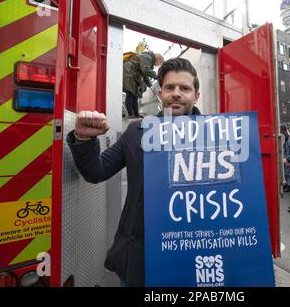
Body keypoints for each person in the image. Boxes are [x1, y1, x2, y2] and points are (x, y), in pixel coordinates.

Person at [67, 58, 201, 286]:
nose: (176, 93)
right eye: (170, 87)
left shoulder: (218, 136)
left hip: (193, 257)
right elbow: (96, 172)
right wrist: (84, 138)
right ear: (160, 93)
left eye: (185, 88)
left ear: (196, 95)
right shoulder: (136, 132)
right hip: (140, 261)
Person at [123, 51, 164, 118]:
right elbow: (146, 71)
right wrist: (158, 77)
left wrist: (150, 84)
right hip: (128, 72)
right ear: (158, 59)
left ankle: (136, 114)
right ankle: (130, 114)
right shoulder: (147, 57)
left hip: (132, 73)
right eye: (159, 63)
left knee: (135, 95)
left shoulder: (148, 60)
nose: (157, 65)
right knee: (130, 93)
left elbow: (145, 75)